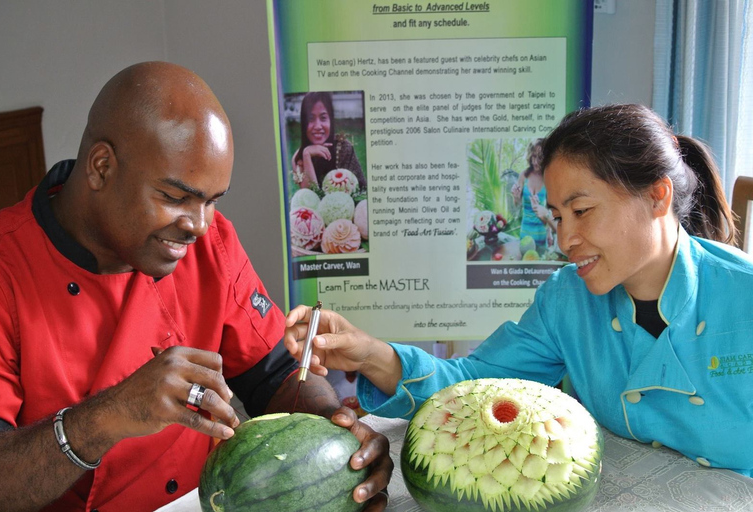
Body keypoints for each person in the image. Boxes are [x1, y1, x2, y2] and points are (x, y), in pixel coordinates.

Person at [0, 62, 391, 512]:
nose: (199, 225)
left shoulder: (211, 243)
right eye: (175, 198)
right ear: (101, 167)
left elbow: (277, 376)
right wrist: (106, 418)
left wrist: (337, 441)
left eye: (212, 200)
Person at [285, 103, 753, 478]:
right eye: (556, 217)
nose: (565, 240)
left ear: (657, 196)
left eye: (582, 211)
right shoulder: (566, 300)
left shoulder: (744, 297)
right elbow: (473, 387)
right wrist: (370, 354)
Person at [290, 91, 367, 191]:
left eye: (323, 118)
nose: (317, 126)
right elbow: (310, 197)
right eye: (311, 119)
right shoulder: (298, 158)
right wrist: (306, 155)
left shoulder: (343, 148)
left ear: (330, 120)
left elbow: (362, 191)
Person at [511, 138, 555, 250]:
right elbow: (517, 206)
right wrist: (516, 198)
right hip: (525, 231)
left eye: (539, 157)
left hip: (541, 233)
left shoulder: (548, 178)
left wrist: (549, 233)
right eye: (533, 156)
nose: (535, 161)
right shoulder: (524, 175)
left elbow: (549, 210)